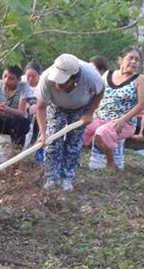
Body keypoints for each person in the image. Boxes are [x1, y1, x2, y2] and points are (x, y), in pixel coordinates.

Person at [35, 54, 105, 191]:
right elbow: (40, 107)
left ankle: (67, 178)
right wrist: (43, 134)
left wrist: (90, 113)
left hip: (81, 107)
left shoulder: (91, 77)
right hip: (56, 106)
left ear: (75, 79)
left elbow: (100, 91)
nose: (57, 85)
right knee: (52, 142)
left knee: (74, 143)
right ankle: (51, 178)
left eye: (62, 82)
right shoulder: (46, 78)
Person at [83, 47, 144, 171]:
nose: (134, 62)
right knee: (80, 129)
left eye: (137, 59)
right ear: (121, 60)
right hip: (101, 117)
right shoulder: (108, 74)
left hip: (124, 122)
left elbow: (141, 104)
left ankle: (111, 162)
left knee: (102, 132)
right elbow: (97, 94)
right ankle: (72, 160)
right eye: (130, 58)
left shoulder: (140, 80)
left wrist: (122, 120)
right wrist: (90, 113)